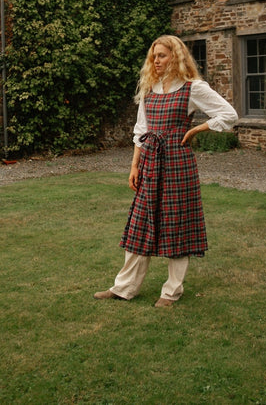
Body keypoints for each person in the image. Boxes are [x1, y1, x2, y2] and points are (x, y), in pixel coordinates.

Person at [94, 35, 238, 308]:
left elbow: (229, 115)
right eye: (154, 56)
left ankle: (171, 292)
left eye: (161, 56)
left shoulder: (193, 88)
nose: (155, 61)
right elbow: (141, 131)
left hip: (177, 163)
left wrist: (196, 129)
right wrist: (134, 166)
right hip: (150, 161)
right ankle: (124, 288)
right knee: (140, 224)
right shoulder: (150, 89)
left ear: (176, 57)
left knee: (176, 225)